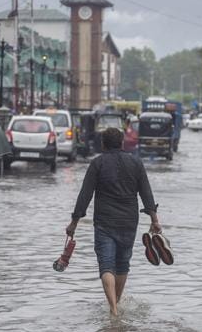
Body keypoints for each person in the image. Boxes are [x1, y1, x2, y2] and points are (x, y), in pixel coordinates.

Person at [66, 127, 160, 316]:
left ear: (103, 144)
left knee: (106, 264)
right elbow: (146, 193)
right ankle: (115, 304)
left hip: (104, 223)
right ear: (122, 142)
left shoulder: (97, 163)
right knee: (123, 264)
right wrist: (154, 220)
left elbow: (85, 195)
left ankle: (114, 309)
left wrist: (74, 222)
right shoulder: (136, 163)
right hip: (129, 222)